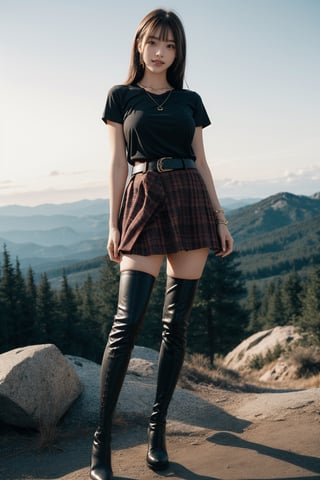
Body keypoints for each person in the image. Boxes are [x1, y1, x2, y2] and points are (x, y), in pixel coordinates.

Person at [90, 8, 233, 480]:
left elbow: (202, 161)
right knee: (126, 323)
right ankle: (101, 443)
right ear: (139, 44)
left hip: (190, 197)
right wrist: (113, 224)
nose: (160, 52)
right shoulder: (121, 96)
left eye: (170, 45)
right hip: (141, 196)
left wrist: (220, 218)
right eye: (153, 42)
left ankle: (156, 431)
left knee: (177, 326)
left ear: (178, 51)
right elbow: (115, 165)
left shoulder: (190, 99)